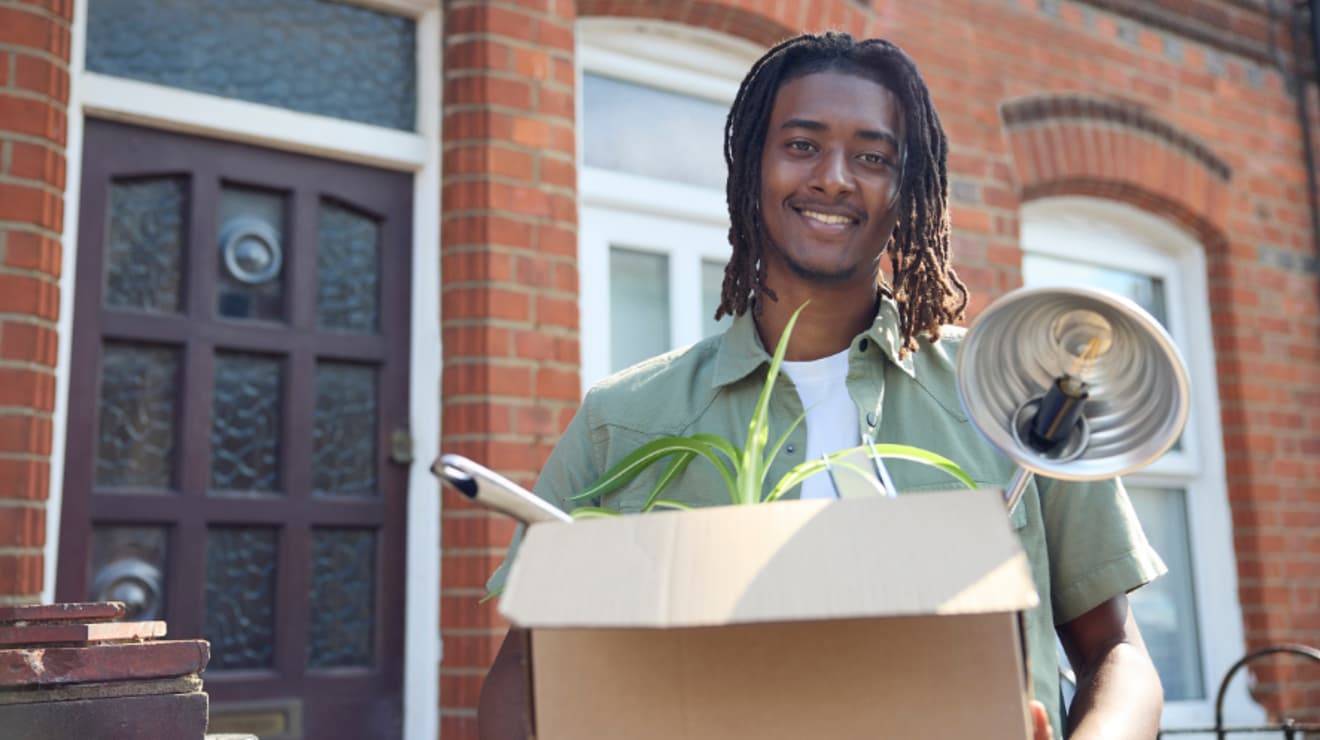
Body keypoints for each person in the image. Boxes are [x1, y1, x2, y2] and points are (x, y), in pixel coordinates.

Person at [479, 32, 1166, 740]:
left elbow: (1115, 653)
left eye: (873, 157)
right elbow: (524, 675)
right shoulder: (619, 420)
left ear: (909, 189)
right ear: (752, 168)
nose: (835, 178)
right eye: (802, 145)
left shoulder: (1017, 403)